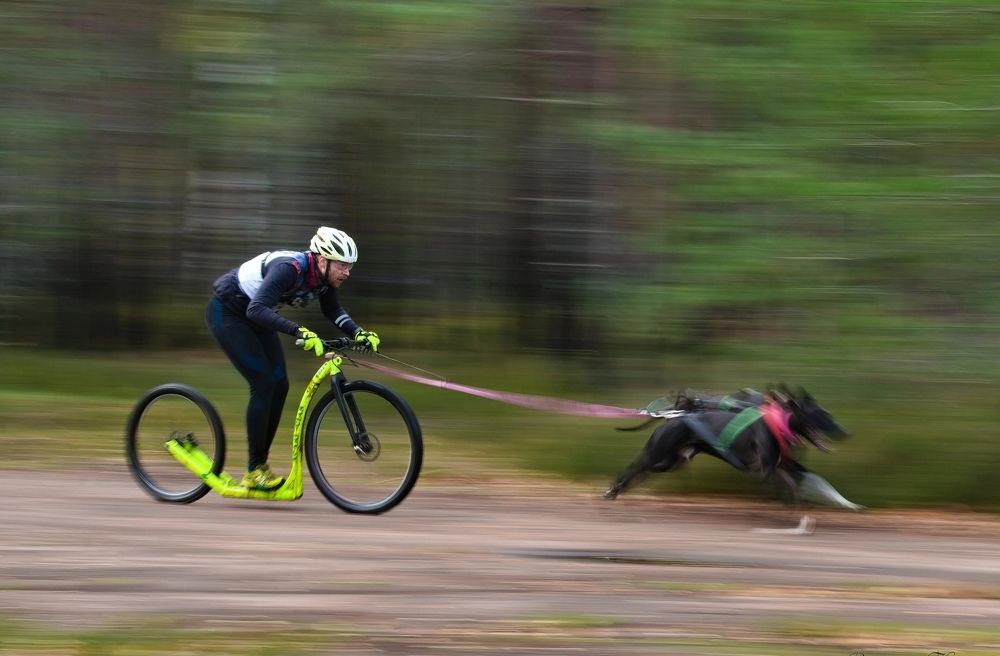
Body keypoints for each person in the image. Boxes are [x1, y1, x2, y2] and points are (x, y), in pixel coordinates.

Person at [206, 226, 380, 490]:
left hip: (257, 315)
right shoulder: (290, 268)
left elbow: (332, 310)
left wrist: (359, 332)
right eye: (342, 266)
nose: (347, 272)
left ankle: (259, 466)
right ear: (322, 260)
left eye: (349, 266)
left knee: (281, 384)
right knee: (263, 384)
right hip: (229, 312)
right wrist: (298, 330)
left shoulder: (324, 279)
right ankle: (254, 470)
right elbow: (255, 309)